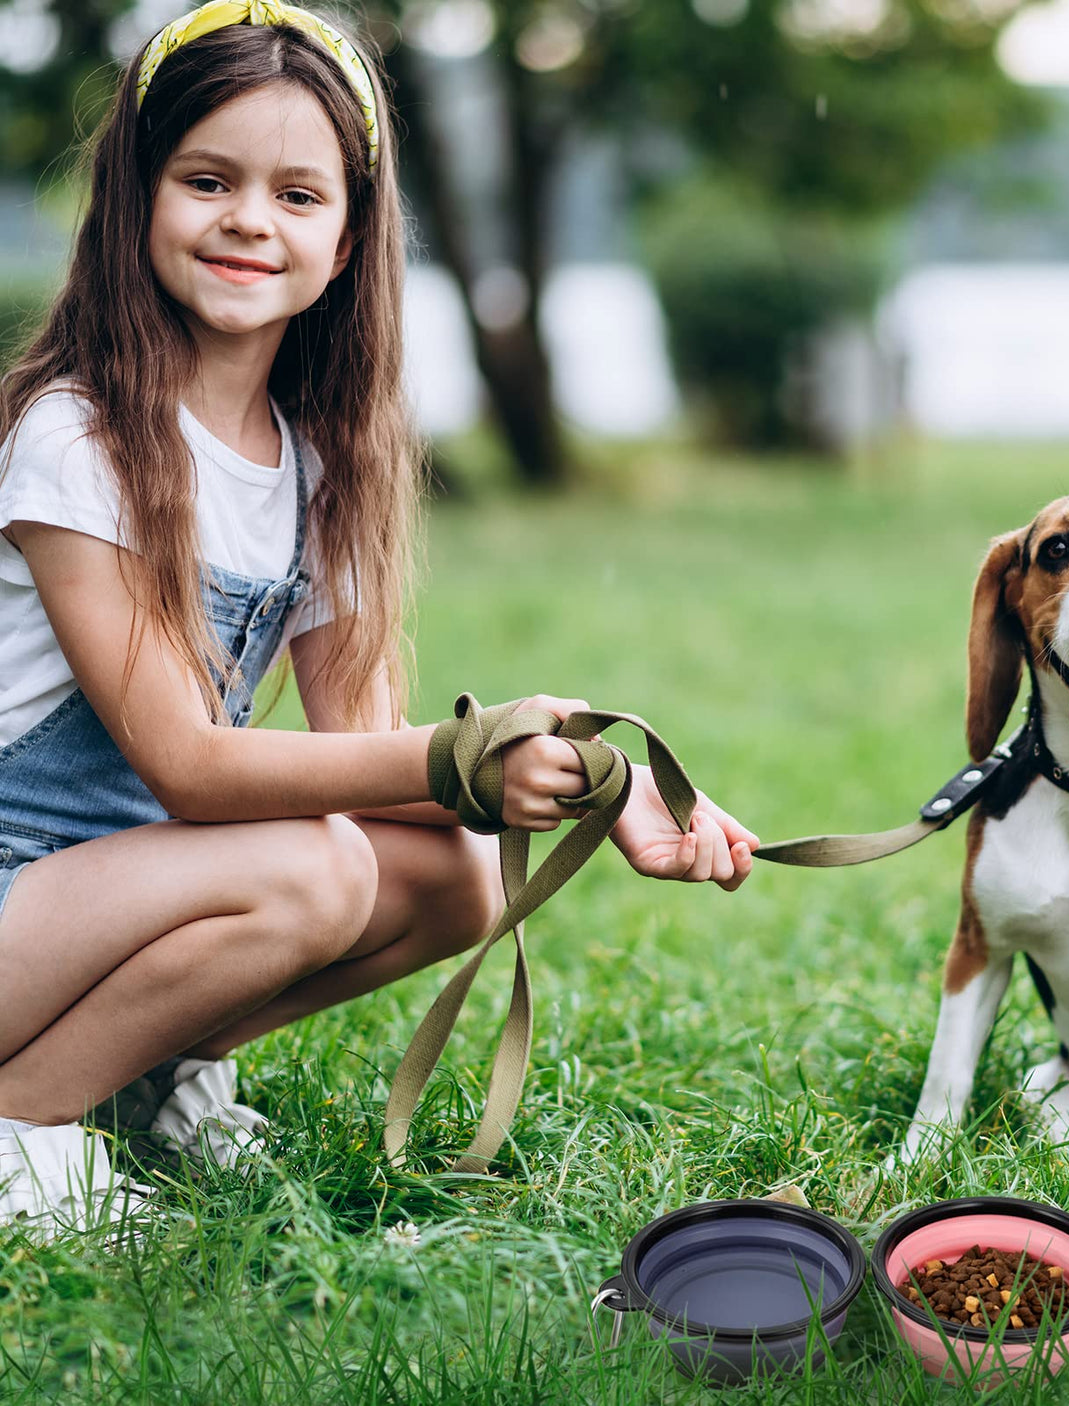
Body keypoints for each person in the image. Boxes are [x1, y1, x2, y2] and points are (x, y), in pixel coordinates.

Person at [0, 0, 757, 1242]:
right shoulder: (75, 438)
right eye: (207, 179)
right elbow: (188, 766)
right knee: (311, 864)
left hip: (116, 898)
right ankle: (23, 1123)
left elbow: (364, 749)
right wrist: (466, 753)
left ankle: (135, 1080)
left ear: (350, 239)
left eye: (300, 195)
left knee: (446, 875)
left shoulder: (321, 460)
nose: (250, 219)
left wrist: (603, 784)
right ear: (136, 197)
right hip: (21, 887)